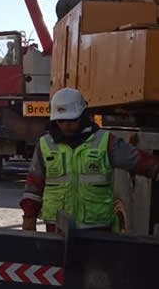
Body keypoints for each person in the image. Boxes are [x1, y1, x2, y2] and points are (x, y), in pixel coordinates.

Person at [20, 88, 159, 232]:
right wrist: (29, 218)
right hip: (57, 228)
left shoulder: (104, 141)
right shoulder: (45, 145)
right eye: (61, 121)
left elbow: (134, 159)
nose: (66, 125)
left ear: (83, 115)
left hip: (97, 229)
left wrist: (155, 168)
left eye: (72, 120)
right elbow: (33, 185)